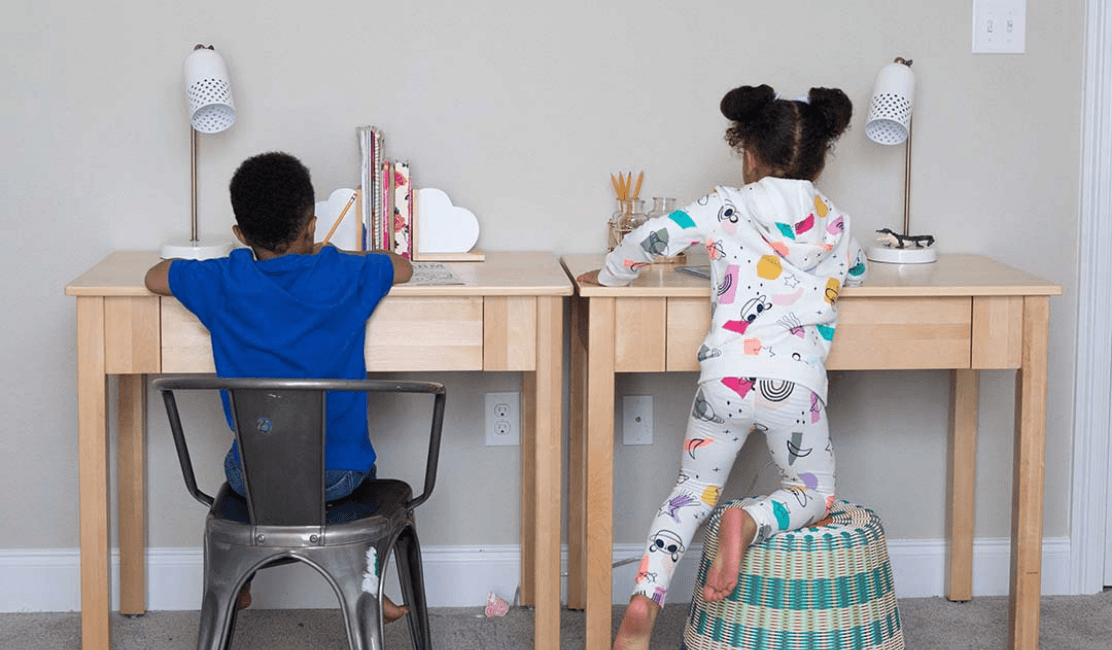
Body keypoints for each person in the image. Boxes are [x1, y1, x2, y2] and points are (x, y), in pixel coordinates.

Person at [578, 84, 868, 650]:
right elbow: (855, 274)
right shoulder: (837, 223)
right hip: (797, 388)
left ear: (749, 154)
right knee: (815, 493)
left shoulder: (724, 206)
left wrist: (610, 276)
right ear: (823, 159)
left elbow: (649, 238)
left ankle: (644, 599)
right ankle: (752, 520)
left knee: (690, 491)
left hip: (726, 380)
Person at [145, 151, 413, 617]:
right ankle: (368, 587)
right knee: (364, 481)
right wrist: (341, 254)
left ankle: (240, 582)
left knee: (248, 461)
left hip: (253, 479)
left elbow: (155, 276)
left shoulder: (225, 278)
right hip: (341, 478)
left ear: (240, 235)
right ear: (312, 225)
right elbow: (401, 266)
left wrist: (227, 260)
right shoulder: (347, 272)